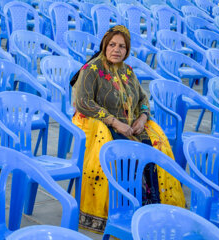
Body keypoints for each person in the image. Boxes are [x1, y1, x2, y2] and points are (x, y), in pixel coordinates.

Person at [71, 25, 186, 233]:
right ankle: (117, 212)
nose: (117, 49)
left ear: (127, 49)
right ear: (105, 46)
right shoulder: (91, 70)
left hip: (131, 124)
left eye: (122, 46)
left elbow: (143, 99)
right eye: (113, 45)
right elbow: (83, 102)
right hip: (102, 125)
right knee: (120, 152)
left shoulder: (127, 70)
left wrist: (142, 118)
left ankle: (151, 207)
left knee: (157, 143)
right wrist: (114, 122)